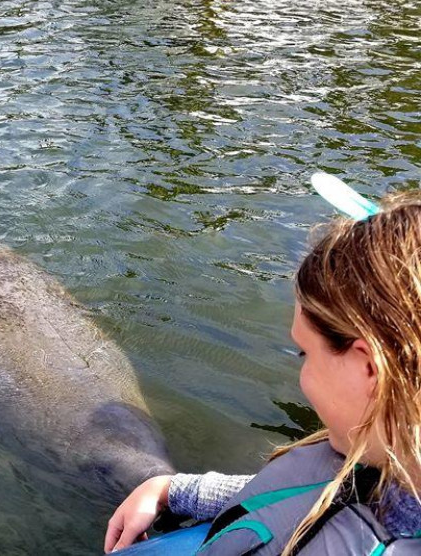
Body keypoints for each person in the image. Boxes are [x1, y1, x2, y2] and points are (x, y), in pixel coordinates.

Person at [104, 190, 421, 555]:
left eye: (305, 352)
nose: (300, 371)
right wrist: (169, 490)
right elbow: (297, 493)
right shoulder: (386, 460)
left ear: (369, 367)